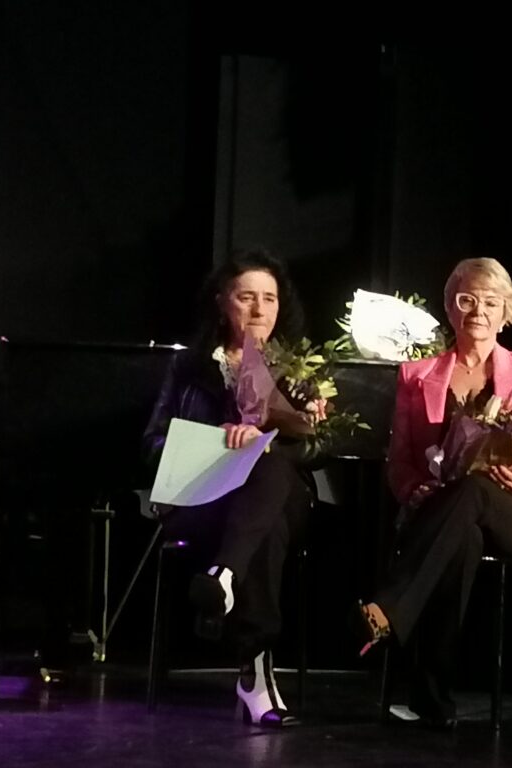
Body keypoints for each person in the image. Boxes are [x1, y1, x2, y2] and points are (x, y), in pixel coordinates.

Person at [354, 257, 512, 727]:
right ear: (451, 308)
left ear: (506, 312)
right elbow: (399, 461)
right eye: (467, 300)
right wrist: (414, 489)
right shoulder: (417, 375)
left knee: (471, 491)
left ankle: (388, 607)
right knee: (460, 536)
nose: (478, 312)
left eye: (490, 302)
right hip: (444, 512)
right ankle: (433, 700)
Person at [143, 247, 318, 727]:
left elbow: (319, 451)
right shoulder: (190, 367)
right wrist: (216, 441)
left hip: (282, 496)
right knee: (266, 528)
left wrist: (276, 436)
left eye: (269, 298)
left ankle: (223, 576)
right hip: (207, 499)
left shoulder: (297, 370)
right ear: (223, 302)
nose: (260, 309)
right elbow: (152, 444)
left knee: (270, 468)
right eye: (247, 297)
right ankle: (255, 674)